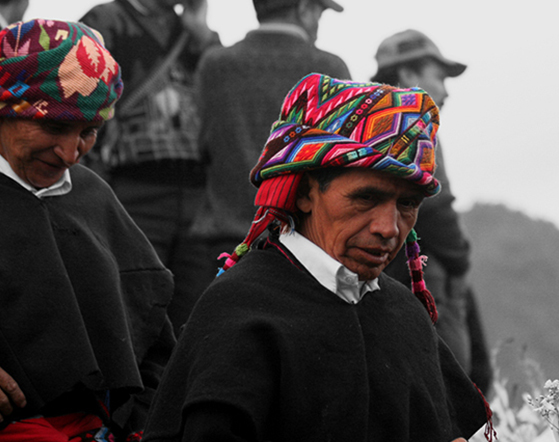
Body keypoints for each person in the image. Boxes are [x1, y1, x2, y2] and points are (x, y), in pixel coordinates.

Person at [142, 73, 493, 442]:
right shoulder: (240, 311)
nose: (388, 228)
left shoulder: (404, 315)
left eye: (407, 204)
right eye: (366, 198)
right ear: (306, 192)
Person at [0, 19, 174, 441]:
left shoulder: (92, 196)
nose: (70, 153)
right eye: (55, 127)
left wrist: (140, 421)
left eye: (89, 133)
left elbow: (150, 332)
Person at [186, 0, 352, 307]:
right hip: (303, 250)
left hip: (225, 246)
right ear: (304, 9)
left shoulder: (215, 65)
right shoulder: (330, 70)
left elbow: (200, 146)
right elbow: (341, 163)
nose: (318, 22)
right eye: (319, 11)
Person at [79, 0, 221, 333]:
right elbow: (82, 98)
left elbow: (222, 89)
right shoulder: (106, 20)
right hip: (132, 191)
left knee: (192, 316)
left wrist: (202, 34)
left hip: (197, 197)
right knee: (133, 310)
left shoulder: (193, 34)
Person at [372, 28, 493, 394]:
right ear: (408, 75)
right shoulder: (412, 120)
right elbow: (436, 207)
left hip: (392, 276)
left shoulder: (368, 123)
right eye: (438, 77)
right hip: (424, 276)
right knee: (448, 389)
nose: (445, 90)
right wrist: (460, 257)